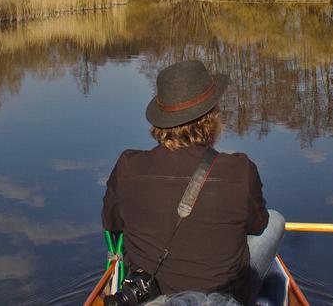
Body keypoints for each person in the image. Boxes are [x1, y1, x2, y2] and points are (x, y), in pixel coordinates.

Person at [102, 60, 285, 305]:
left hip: (150, 295)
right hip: (223, 298)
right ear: (212, 118)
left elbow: (111, 223)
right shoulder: (241, 170)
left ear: (161, 121)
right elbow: (257, 223)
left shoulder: (127, 165)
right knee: (275, 221)